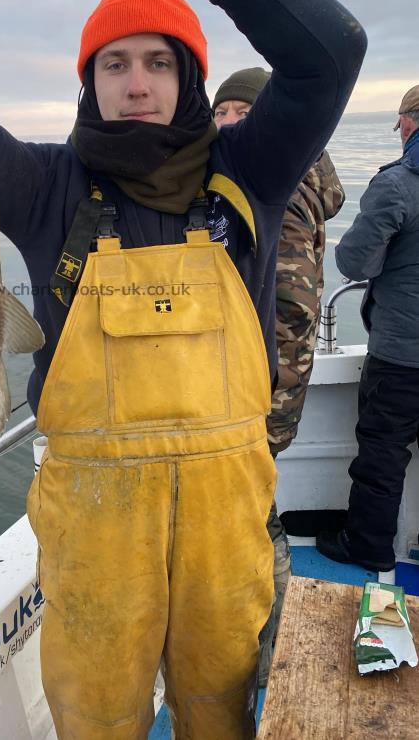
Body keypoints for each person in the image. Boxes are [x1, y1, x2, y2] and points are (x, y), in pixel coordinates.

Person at [0, 0, 366, 736]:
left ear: (187, 80)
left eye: (159, 62)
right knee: (96, 719)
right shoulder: (46, 188)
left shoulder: (247, 173)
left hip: (228, 538)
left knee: (220, 710)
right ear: (89, 84)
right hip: (94, 540)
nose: (136, 83)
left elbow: (332, 52)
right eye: (113, 65)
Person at [212, 67, 345, 683]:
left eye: (240, 113)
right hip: (268, 383)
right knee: (253, 513)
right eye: (220, 114)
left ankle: (273, 649)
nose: (227, 126)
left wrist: (259, 390)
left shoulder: (283, 184)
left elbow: (290, 300)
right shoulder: (284, 174)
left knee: (254, 520)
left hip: (261, 389)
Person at [317, 86, 419, 573]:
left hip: (402, 354)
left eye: (400, 121)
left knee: (382, 451)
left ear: (409, 122)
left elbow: (354, 260)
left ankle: (370, 547)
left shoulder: (398, 184)